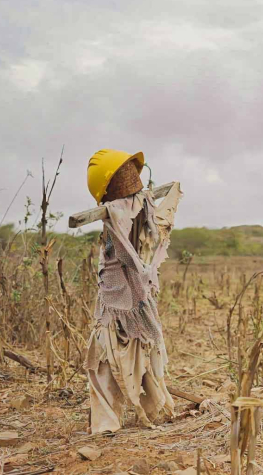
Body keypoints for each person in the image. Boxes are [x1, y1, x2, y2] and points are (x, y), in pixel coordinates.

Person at [83, 149, 182, 433]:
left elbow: (150, 238)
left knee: (144, 351)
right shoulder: (115, 219)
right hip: (117, 299)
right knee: (104, 356)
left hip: (136, 297)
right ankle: (106, 422)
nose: (131, 176)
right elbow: (127, 258)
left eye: (132, 169)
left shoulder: (138, 209)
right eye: (123, 171)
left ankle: (153, 408)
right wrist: (143, 269)